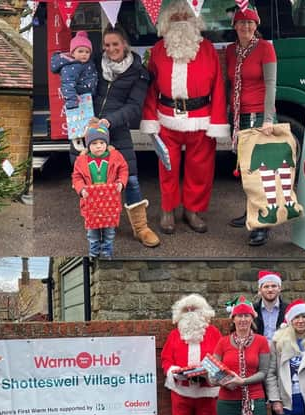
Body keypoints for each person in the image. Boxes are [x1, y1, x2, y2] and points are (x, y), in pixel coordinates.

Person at [140, 0, 229, 235]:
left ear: (195, 21)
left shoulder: (208, 49)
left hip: (201, 117)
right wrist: (150, 119)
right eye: (175, 18)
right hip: (166, 117)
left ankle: (193, 210)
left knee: (200, 169)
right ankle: (168, 209)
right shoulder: (158, 50)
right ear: (166, 24)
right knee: (167, 167)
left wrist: (218, 123)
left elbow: (219, 87)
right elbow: (149, 89)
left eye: (185, 17)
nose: (180, 22)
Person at [78, 24, 160, 248]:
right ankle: (100, 224)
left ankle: (141, 228)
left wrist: (108, 121)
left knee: (130, 179)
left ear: (124, 44)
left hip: (117, 129)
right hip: (89, 130)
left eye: (115, 44)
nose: (111, 49)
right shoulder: (94, 63)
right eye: (107, 45)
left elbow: (134, 107)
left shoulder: (139, 71)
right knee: (92, 179)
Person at [225, 5, 278, 246]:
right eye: (241, 22)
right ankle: (251, 211)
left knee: (262, 171)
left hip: (260, 118)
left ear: (256, 26)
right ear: (234, 26)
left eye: (250, 22)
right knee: (247, 170)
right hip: (239, 117)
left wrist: (268, 119)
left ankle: (263, 223)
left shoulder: (265, 48)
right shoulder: (231, 51)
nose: (245, 26)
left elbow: (271, 85)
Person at [161, 294, 223, 415]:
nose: (190, 313)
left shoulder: (213, 333)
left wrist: (209, 371)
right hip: (181, 391)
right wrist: (174, 371)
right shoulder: (174, 335)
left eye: (193, 309)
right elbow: (166, 358)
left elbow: (221, 357)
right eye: (186, 310)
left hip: (207, 391)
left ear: (203, 312)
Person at [72, 124, 128, 258]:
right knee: (92, 232)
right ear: (88, 145)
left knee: (109, 231)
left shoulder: (115, 156)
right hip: (90, 203)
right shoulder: (81, 160)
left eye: (102, 142)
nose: (98, 146)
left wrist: (121, 182)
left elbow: (124, 170)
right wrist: (81, 189)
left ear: (107, 143)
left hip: (110, 203)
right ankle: (94, 252)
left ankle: (107, 252)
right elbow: (76, 177)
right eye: (94, 143)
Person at [214, 295, 270, 415]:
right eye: (239, 316)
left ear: (252, 318)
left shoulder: (261, 341)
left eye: (247, 316)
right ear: (233, 319)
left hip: (254, 399)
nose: (243, 319)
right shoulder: (223, 342)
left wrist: (243, 381)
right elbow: (214, 369)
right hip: (227, 400)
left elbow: (263, 372)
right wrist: (224, 381)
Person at [50, 30, 98, 150]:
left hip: (86, 96)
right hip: (77, 97)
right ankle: (76, 139)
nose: (84, 54)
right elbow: (67, 84)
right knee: (77, 120)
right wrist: (71, 100)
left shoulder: (87, 63)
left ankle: (85, 139)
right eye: (80, 51)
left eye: (87, 52)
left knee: (86, 120)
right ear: (73, 53)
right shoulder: (72, 66)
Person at [253, 270, 289, 341]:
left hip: (282, 349)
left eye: (273, 286)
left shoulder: (288, 309)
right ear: (260, 290)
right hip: (259, 350)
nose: (270, 289)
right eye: (266, 287)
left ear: (279, 288)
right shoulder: (253, 310)